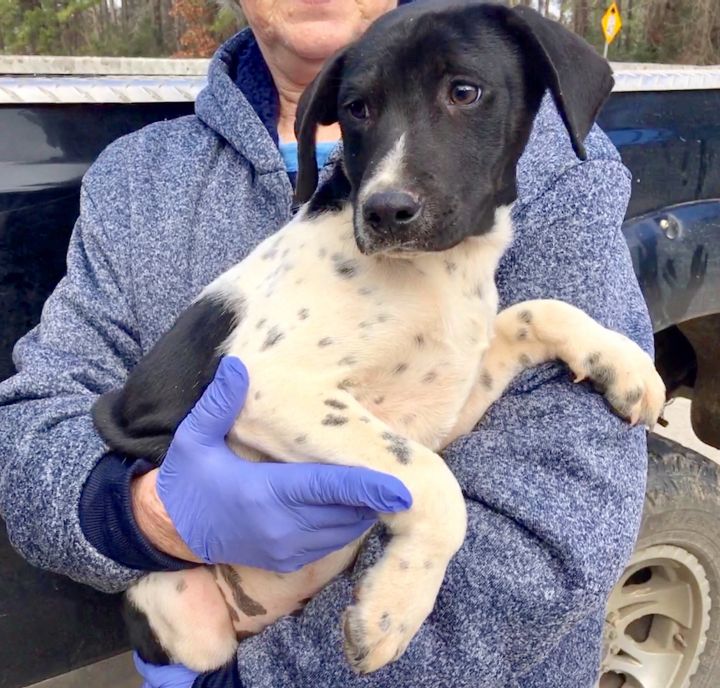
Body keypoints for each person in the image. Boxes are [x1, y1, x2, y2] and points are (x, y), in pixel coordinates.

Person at [0, 0, 653, 686]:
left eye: (463, 94)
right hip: (199, 613)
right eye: (361, 113)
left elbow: (547, 530)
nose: (393, 185)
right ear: (332, 133)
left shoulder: (552, 170)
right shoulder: (139, 177)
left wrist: (536, 331)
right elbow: (34, 425)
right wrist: (143, 514)